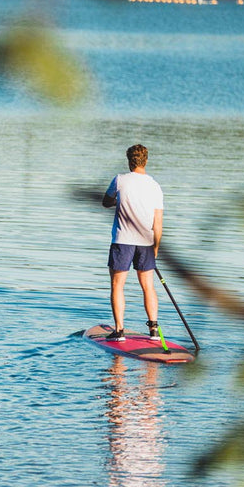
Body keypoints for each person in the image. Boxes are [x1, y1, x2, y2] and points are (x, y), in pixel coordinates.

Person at [101, 144, 164, 341]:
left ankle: (119, 331)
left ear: (129, 161)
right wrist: (155, 248)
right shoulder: (155, 186)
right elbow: (158, 223)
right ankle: (153, 330)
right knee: (148, 286)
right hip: (146, 242)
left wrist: (116, 201)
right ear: (146, 161)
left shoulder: (120, 180)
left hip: (123, 241)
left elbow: (105, 202)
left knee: (117, 285)